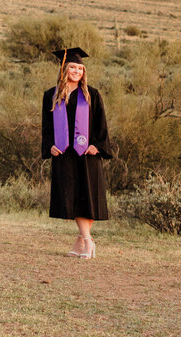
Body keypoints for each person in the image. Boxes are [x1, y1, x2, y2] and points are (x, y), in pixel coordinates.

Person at [41, 46, 112, 257]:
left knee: (87, 198)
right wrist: (50, 146)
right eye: (73, 67)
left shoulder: (92, 94)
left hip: (87, 155)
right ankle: (82, 241)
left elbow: (101, 125)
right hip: (64, 155)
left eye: (80, 68)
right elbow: (46, 127)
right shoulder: (51, 96)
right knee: (72, 197)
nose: (77, 71)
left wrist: (97, 146)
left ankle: (86, 242)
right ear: (64, 69)